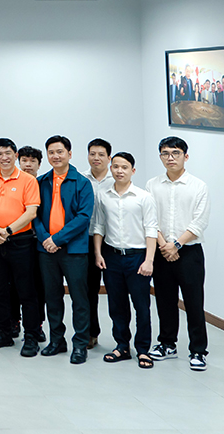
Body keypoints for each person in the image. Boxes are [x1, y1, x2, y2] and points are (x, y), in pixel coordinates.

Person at [146, 136, 210, 371]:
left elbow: (199, 222)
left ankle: (198, 350)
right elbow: (150, 219)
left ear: (186, 156)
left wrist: (177, 245)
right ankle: (167, 344)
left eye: (175, 153)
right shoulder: (152, 184)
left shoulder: (198, 186)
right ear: (160, 156)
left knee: (194, 302)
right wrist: (165, 245)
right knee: (164, 300)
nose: (170, 157)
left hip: (189, 252)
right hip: (163, 251)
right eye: (165, 153)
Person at [91, 152, 158, 369]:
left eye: (125, 167)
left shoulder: (143, 197)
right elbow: (99, 226)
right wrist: (98, 253)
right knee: (116, 305)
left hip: (137, 257)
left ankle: (143, 350)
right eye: (116, 167)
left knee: (141, 306)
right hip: (111, 257)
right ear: (111, 169)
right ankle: (122, 346)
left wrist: (149, 261)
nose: (120, 171)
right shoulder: (103, 195)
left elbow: (151, 229)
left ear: (133, 171)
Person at [32, 135, 94, 365]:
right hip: (46, 250)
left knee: (79, 298)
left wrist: (57, 239)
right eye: (51, 152)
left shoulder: (82, 182)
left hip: (74, 250)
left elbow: (83, 217)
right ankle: (57, 340)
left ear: (69, 153)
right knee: (52, 296)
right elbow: (35, 214)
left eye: (60, 152)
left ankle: (80, 344)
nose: (55, 156)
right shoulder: (42, 181)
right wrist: (45, 238)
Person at [0, 138, 41, 355]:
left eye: (8, 153)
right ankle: (4, 332)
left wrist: (8, 231)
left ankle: (31, 335)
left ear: (15, 155)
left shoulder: (27, 181)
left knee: (26, 290)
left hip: (20, 242)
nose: (4, 157)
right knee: (0, 289)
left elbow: (31, 212)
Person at [13, 146, 46, 341]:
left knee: (37, 286)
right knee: (15, 285)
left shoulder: (43, 184)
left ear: (39, 165)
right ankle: (14, 321)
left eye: (32, 161)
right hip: (18, 241)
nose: (28, 164)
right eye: (24, 160)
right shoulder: (15, 183)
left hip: (39, 242)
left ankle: (37, 324)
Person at [85, 138, 114, 349]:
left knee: (116, 292)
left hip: (112, 241)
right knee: (89, 291)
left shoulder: (118, 179)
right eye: (92, 154)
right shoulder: (80, 179)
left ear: (109, 158)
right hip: (86, 241)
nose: (96, 158)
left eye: (101, 154)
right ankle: (90, 333)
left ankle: (122, 339)